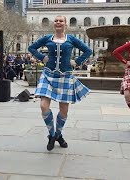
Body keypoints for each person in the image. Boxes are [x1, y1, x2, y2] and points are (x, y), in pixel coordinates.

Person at [28, 15, 92, 151]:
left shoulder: (71, 39)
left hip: (65, 76)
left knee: (64, 110)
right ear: (54, 24)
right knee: (44, 106)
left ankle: (58, 134)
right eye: (56, 21)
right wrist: (42, 57)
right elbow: (32, 48)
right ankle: (52, 134)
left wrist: (77, 62)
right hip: (48, 75)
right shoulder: (47, 38)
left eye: (61, 21)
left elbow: (88, 51)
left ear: (65, 24)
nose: (58, 22)